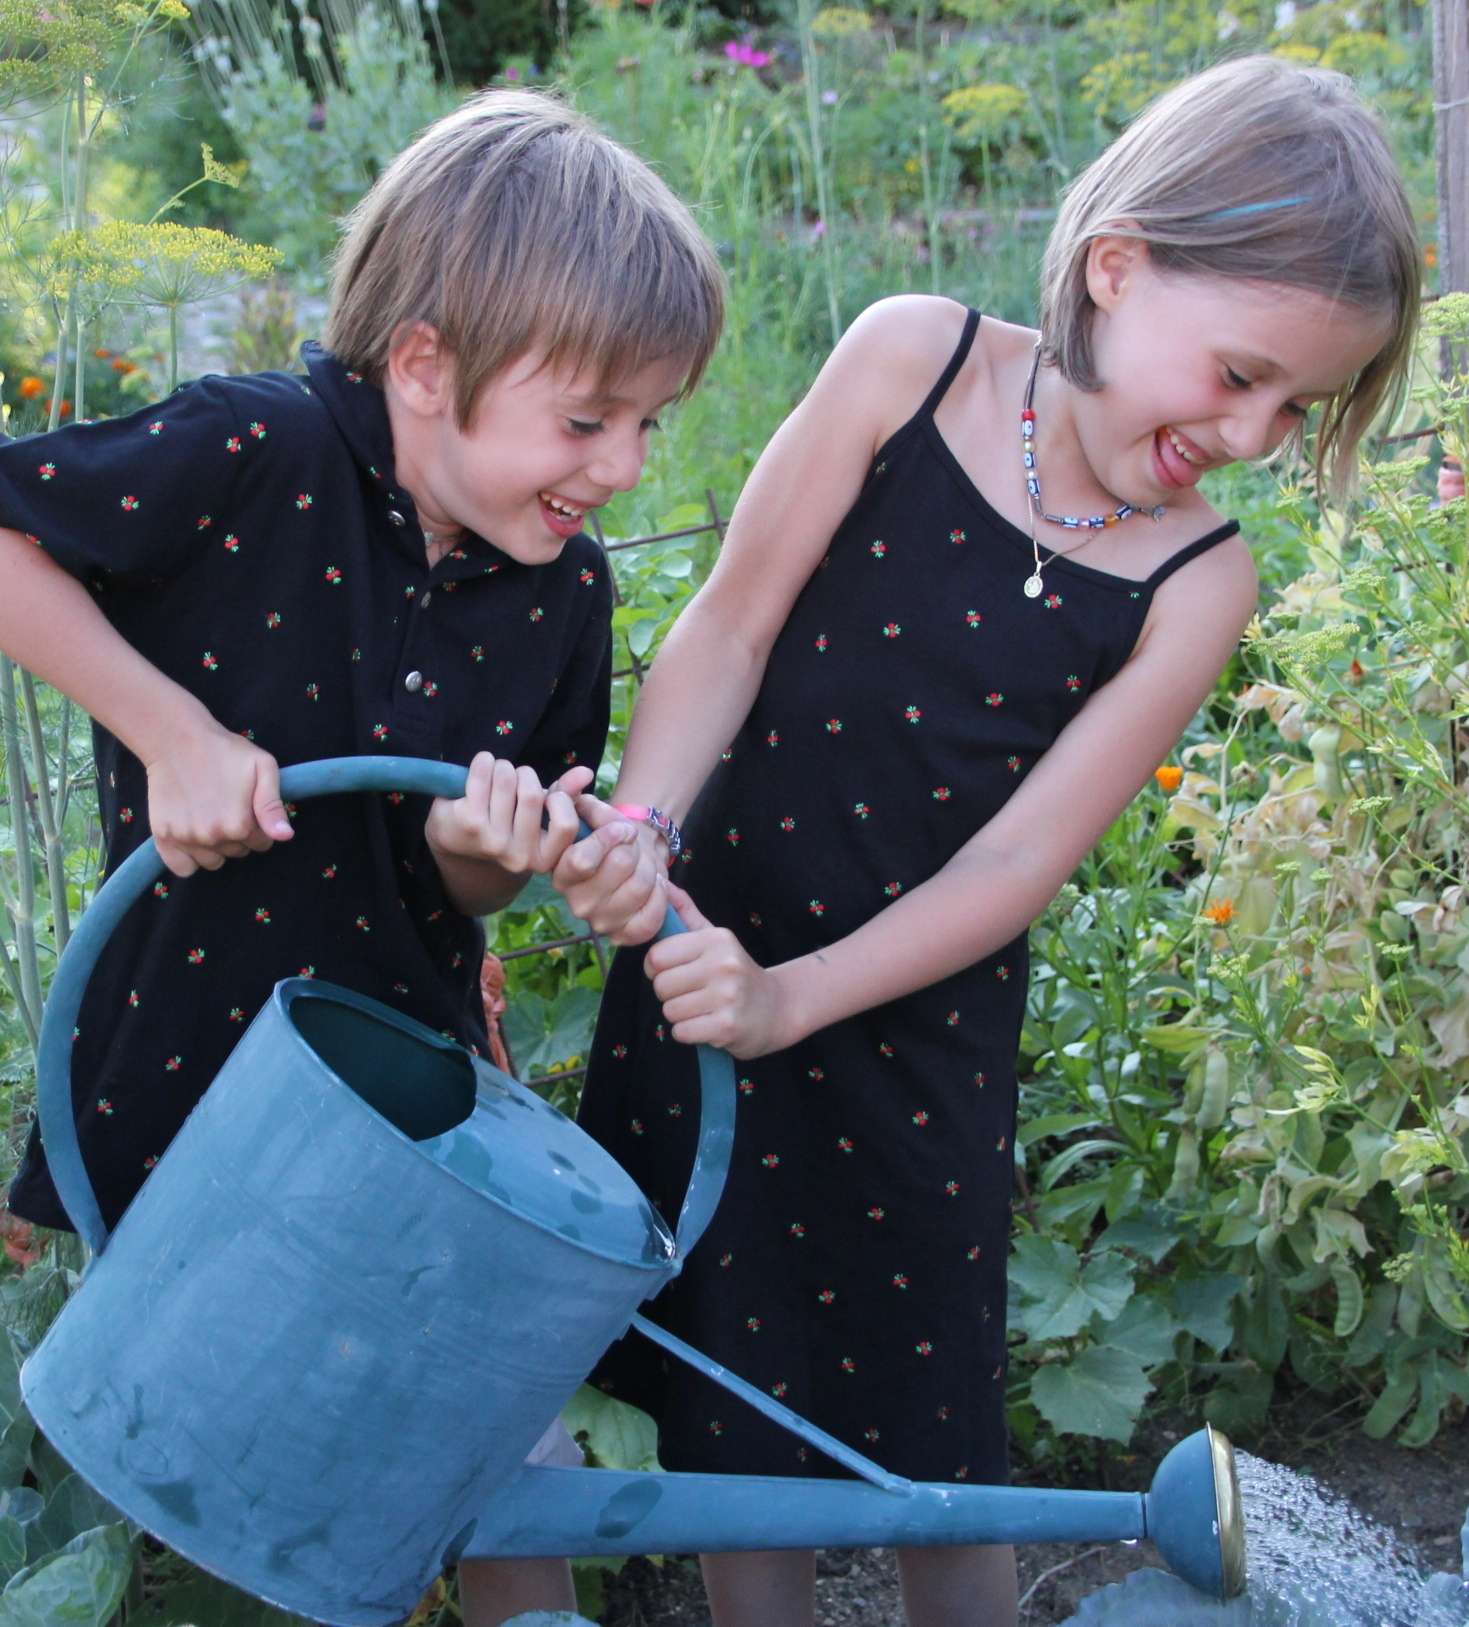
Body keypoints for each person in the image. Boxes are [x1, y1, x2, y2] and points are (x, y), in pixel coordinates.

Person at [574, 53, 1421, 1627]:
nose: (1247, 433)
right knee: (726, 1423)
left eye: (1291, 407)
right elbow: (728, 625)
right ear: (1117, 268)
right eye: (1237, 373)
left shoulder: (1196, 582)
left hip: (912, 1030)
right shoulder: (908, 360)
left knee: (926, 1449)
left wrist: (797, 998)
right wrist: (641, 829)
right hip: (699, 967)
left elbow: (1011, 870)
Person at [0, 89, 721, 1627]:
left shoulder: (560, 591)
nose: (625, 465)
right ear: (421, 367)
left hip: (409, 1086)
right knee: (199, 1454)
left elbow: (462, 890)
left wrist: (485, 858)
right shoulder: (248, 451)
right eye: (587, 420)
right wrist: (167, 728)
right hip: (191, 1054)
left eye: (650, 423)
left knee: (471, 1423)